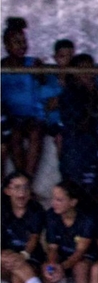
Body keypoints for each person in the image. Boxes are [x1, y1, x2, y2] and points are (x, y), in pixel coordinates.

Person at [42, 180, 96, 283]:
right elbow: (53, 248)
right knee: (47, 269)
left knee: (80, 267)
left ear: (73, 202)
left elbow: (80, 252)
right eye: (53, 199)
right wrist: (53, 266)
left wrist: (63, 267)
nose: (54, 203)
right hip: (62, 257)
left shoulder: (86, 219)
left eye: (59, 200)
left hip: (81, 258)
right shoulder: (52, 216)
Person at [1, 171, 52, 283]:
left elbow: (33, 238)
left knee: (18, 276)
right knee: (7, 258)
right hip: (4, 259)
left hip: (29, 260)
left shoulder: (36, 210)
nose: (22, 192)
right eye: (16, 188)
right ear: (7, 191)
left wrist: (24, 254)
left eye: (25, 188)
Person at [0, 17, 46, 178]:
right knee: (14, 134)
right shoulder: (2, 67)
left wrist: (40, 71)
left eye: (24, 41)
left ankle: (28, 178)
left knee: (35, 132)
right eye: (16, 42)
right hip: (11, 116)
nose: (22, 46)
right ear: (7, 45)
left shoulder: (33, 63)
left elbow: (46, 82)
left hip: (32, 114)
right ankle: (22, 178)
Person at [57, 53, 98, 196]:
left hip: (90, 145)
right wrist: (91, 96)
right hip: (75, 146)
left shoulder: (95, 93)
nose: (88, 73)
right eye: (83, 69)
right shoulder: (70, 94)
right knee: (75, 189)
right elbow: (80, 123)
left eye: (90, 68)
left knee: (93, 185)